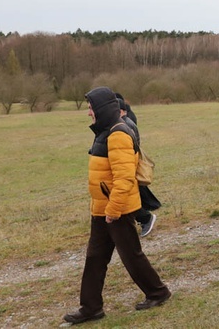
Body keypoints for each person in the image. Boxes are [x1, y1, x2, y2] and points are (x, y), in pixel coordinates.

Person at [63, 87, 170, 325]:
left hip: (115, 209)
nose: (88, 113)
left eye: (91, 108)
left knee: (131, 255)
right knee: (95, 258)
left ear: (101, 108)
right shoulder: (104, 131)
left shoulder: (118, 134)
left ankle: (158, 292)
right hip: (102, 208)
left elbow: (124, 178)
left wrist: (112, 210)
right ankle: (91, 308)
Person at [118, 99, 161, 238]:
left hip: (129, 163)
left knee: (131, 194)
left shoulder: (125, 124)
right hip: (129, 163)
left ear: (120, 111)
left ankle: (145, 218)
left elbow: (132, 146)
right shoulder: (126, 122)